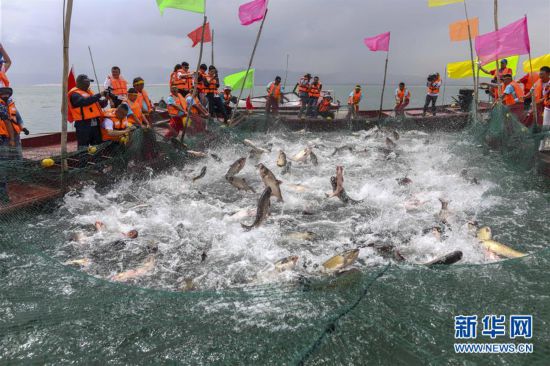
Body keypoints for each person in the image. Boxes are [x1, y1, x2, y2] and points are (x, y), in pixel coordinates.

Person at [68, 74, 108, 149]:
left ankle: (97, 159)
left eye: (89, 82)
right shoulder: (75, 94)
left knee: (97, 144)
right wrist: (100, 94)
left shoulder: (90, 93)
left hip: (95, 123)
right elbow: (84, 102)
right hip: (83, 124)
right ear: (79, 83)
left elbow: (101, 105)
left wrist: (106, 99)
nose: (88, 84)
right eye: (86, 82)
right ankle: (82, 160)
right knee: (83, 146)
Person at [0, 87, 25, 203]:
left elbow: (16, 119)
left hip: (13, 135)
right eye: (3, 93)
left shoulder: (10, 105)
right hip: (3, 137)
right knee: (4, 161)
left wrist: (23, 128)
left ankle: (19, 179)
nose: (5, 95)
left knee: (18, 157)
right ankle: (4, 186)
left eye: (7, 93)